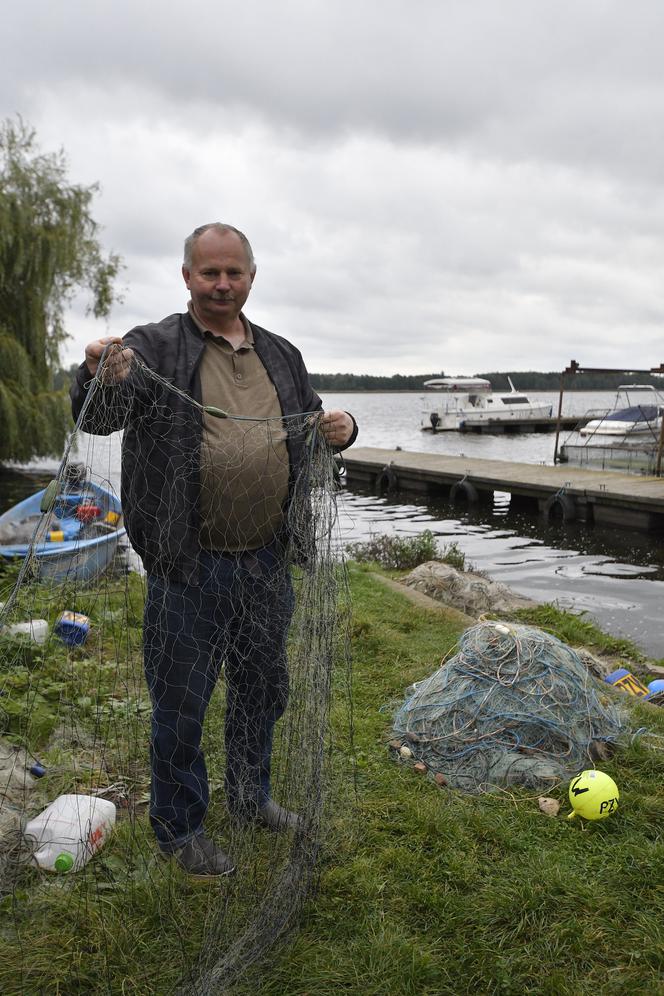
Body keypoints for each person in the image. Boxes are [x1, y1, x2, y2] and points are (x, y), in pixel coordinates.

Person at [71, 223, 357, 879]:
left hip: (264, 560)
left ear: (251, 277)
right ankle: (180, 828)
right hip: (186, 565)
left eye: (234, 273)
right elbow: (99, 415)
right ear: (187, 277)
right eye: (209, 273)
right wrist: (96, 372)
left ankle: (251, 797)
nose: (222, 284)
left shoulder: (281, 354)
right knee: (182, 706)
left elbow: (312, 424)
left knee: (262, 692)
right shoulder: (152, 347)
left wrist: (342, 430)